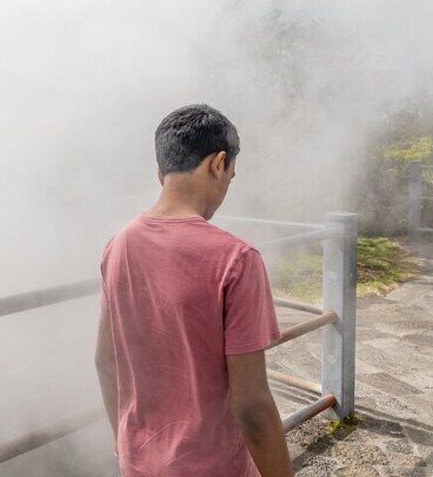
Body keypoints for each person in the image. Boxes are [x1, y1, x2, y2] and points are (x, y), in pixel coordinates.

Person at [95, 104, 292, 476]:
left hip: (139, 464)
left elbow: (105, 361)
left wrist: (124, 446)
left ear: (160, 171)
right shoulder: (236, 259)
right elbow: (252, 406)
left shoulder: (117, 246)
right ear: (219, 164)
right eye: (231, 176)